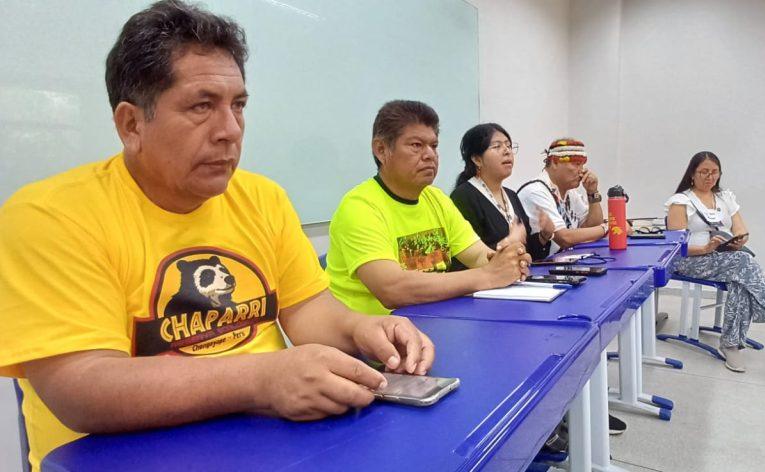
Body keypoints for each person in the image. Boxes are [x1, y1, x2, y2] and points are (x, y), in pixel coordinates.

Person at [0, 2, 435, 469]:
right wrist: (262, 379)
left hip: (267, 448)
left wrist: (362, 329)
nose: (230, 130)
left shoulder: (262, 198)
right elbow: (81, 387)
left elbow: (308, 310)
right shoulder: (52, 215)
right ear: (131, 124)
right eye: (201, 106)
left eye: (238, 106)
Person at [326, 101, 531, 316]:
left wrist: (508, 258)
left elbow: (479, 257)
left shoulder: (436, 199)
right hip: (370, 333)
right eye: (416, 145)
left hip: (433, 321)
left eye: (433, 146)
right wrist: (488, 275)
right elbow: (392, 289)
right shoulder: (359, 207)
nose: (430, 155)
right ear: (381, 150)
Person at [666, 151, 765, 373]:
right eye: (704, 172)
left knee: (740, 278)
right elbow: (674, 246)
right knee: (742, 262)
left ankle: (730, 345)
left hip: (722, 258)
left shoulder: (724, 197)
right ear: (692, 173)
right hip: (689, 260)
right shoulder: (680, 202)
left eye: (714, 172)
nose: (710, 177)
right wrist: (705, 249)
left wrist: (739, 240)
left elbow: (740, 228)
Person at [449, 123, 555, 267]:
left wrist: (544, 236)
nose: (507, 151)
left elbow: (527, 252)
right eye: (497, 146)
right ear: (477, 159)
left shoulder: (511, 195)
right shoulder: (464, 196)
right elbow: (466, 259)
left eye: (509, 146)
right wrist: (509, 241)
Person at [518, 138, 608, 257]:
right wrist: (608, 227)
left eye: (582, 165)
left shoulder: (570, 192)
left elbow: (592, 227)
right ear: (555, 162)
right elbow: (564, 238)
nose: (582, 171)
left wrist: (592, 192)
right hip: (541, 265)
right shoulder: (536, 191)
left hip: (564, 262)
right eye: (576, 164)